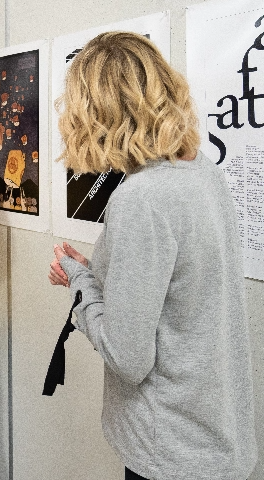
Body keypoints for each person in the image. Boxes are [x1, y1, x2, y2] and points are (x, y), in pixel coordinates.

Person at [48, 32, 257, 480]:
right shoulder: (201, 171)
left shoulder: (144, 197)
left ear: (97, 111)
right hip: (214, 437)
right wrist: (94, 272)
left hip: (171, 454)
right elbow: (176, 295)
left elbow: (128, 357)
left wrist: (80, 284)